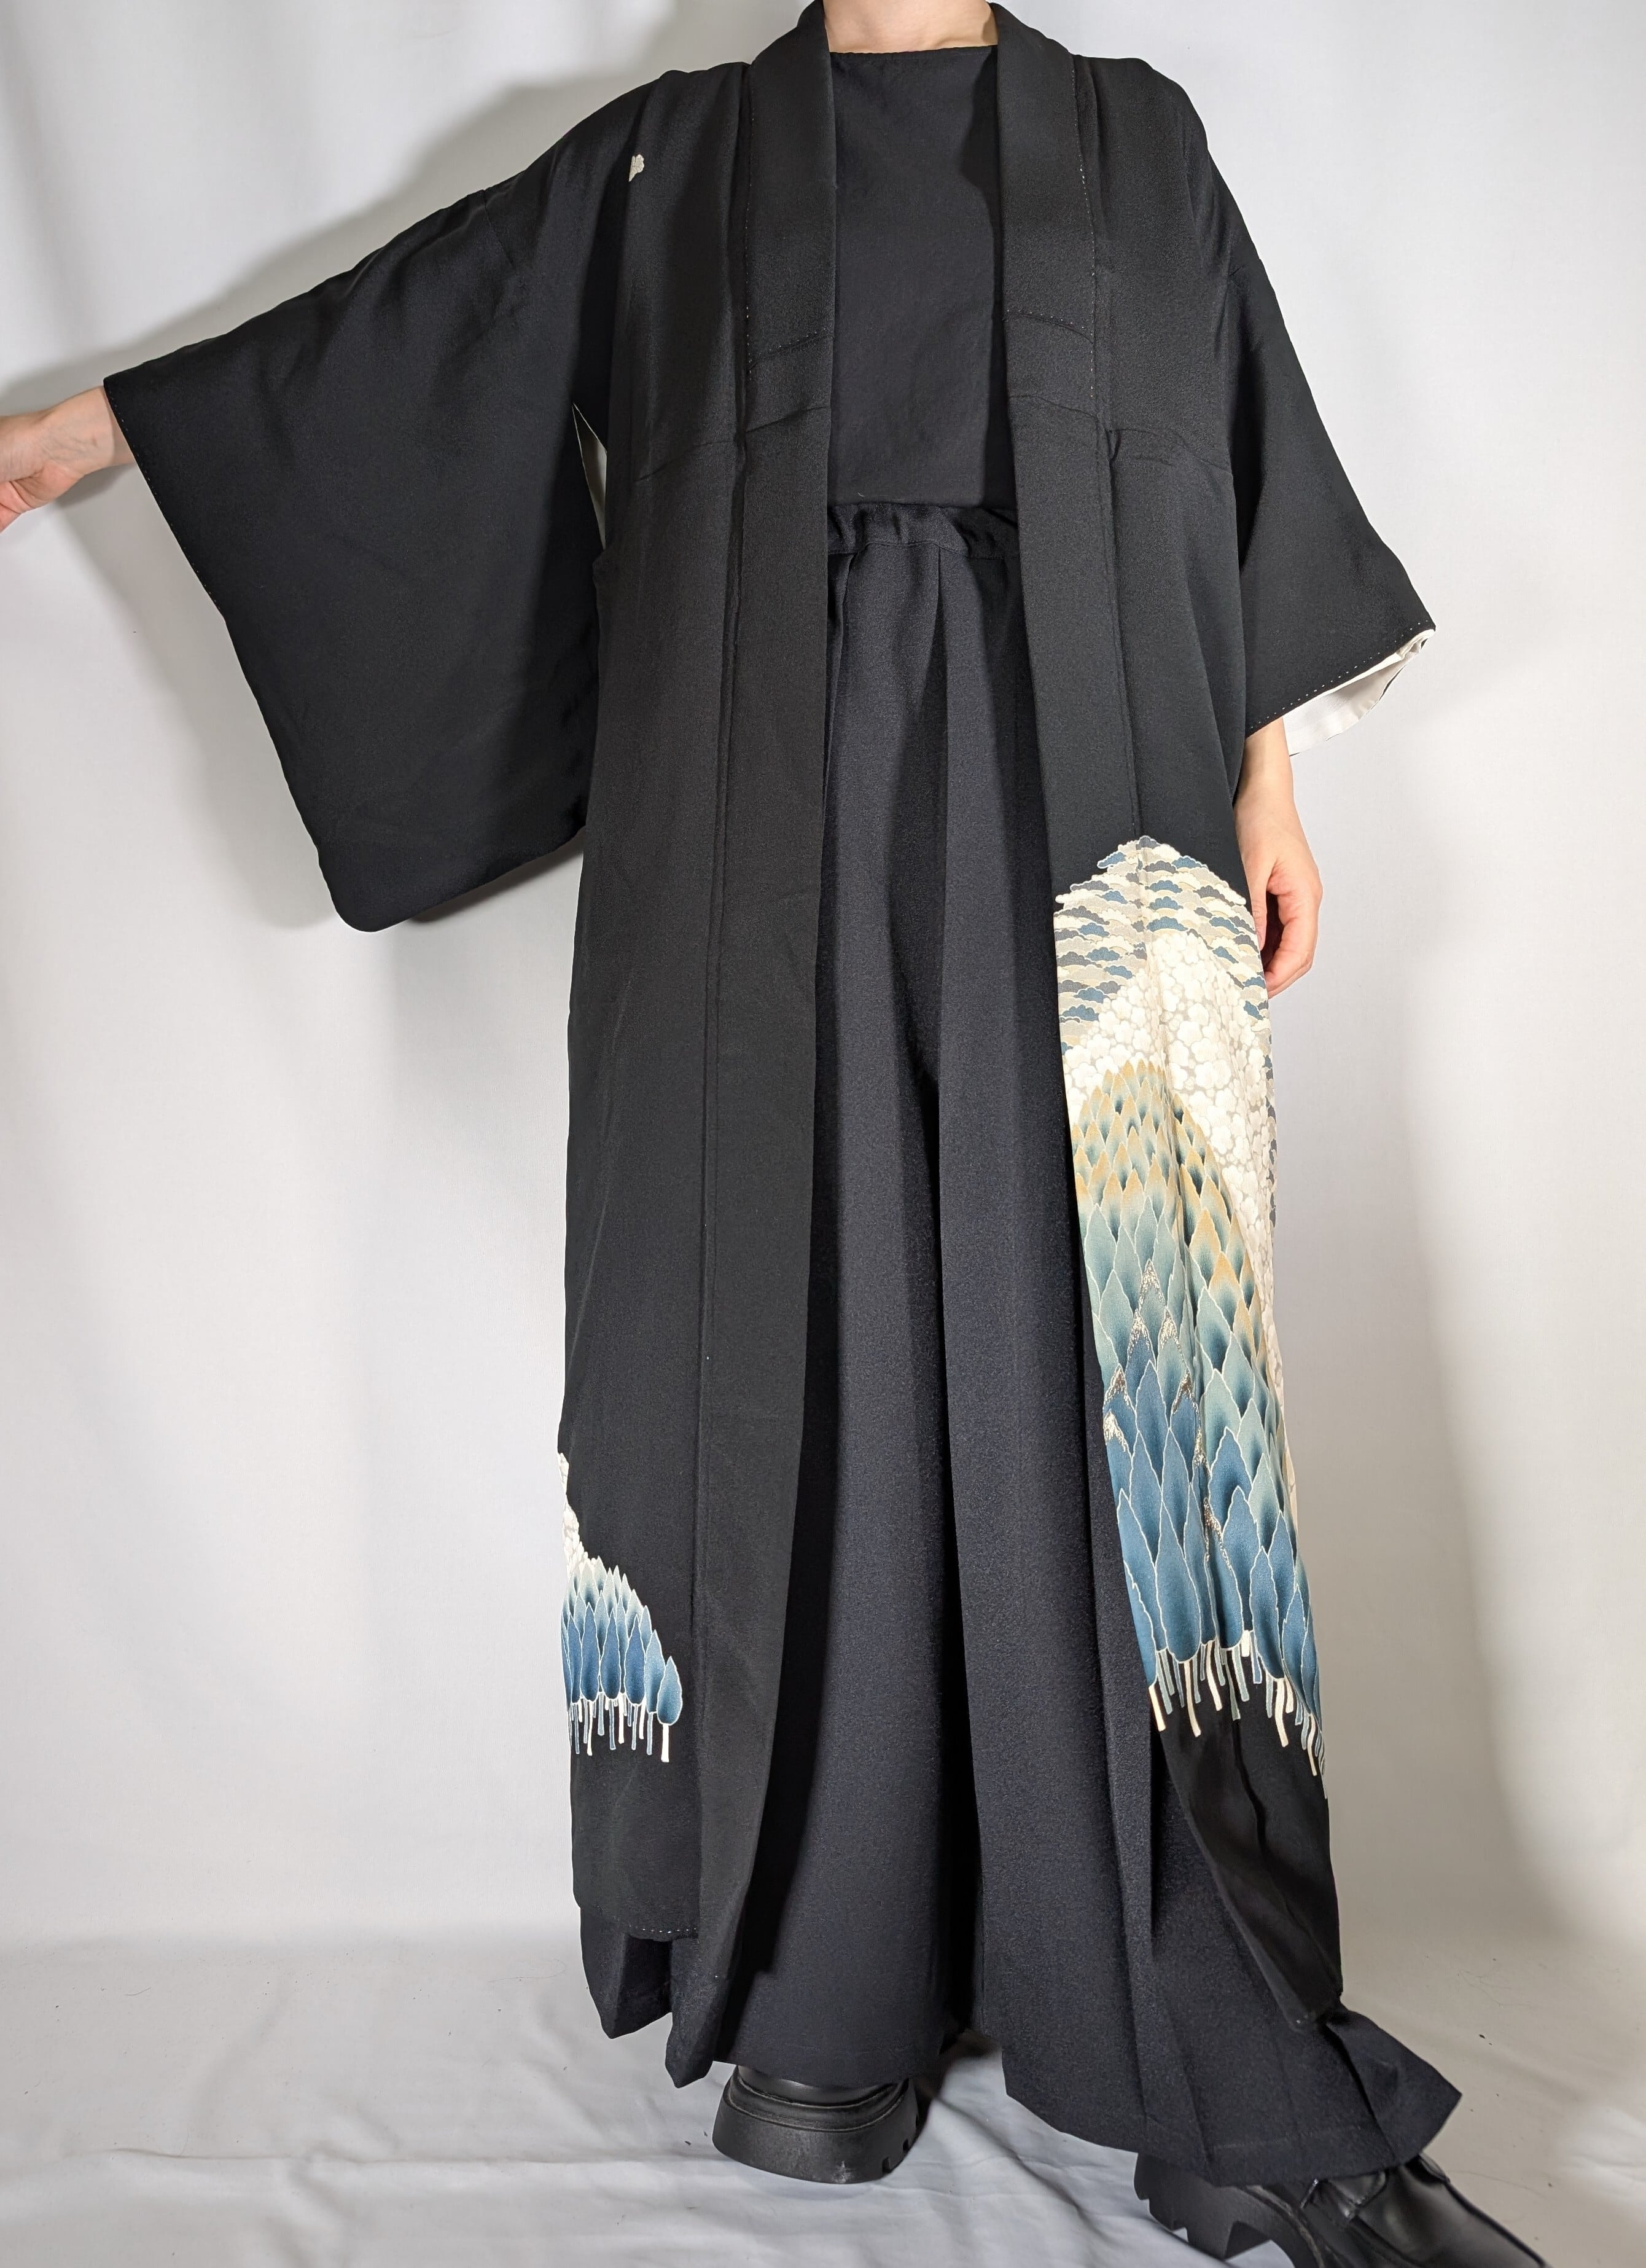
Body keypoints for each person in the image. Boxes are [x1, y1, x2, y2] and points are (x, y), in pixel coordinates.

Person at [0, 4, 1545, 2261]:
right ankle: (830, 1985)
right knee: (792, 1350)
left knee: (1102, 1362)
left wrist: (1272, 784)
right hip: (755, 830)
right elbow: (422, 329)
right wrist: (93, 431)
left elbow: (1235, 464)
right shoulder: (681, 159)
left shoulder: (1135, 140)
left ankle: (1195, 2028)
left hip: (1090, 808)